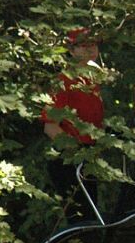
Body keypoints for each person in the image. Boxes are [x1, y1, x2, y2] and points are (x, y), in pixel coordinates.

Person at [41, 27, 104, 222]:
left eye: (92, 43)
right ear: (71, 49)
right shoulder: (64, 80)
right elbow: (50, 126)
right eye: (82, 45)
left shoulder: (94, 78)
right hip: (68, 160)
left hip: (88, 157)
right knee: (80, 220)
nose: (89, 48)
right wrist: (76, 153)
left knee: (92, 219)